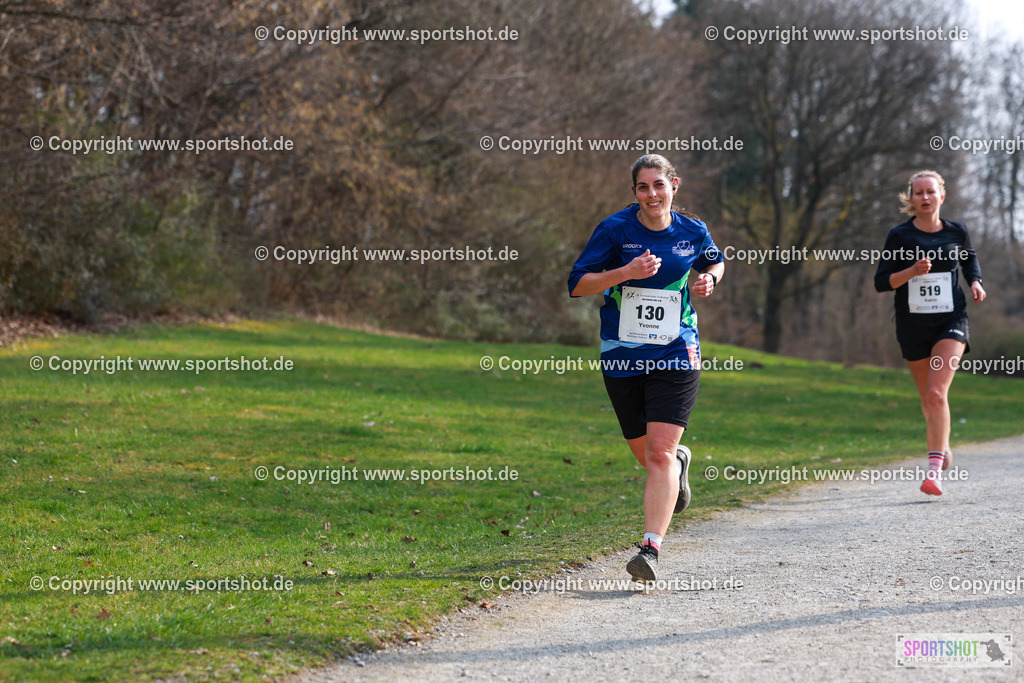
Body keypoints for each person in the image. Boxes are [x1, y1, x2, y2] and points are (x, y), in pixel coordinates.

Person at [567, 154, 724, 581]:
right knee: (648, 456)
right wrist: (625, 271)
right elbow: (577, 284)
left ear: (674, 186)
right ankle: (678, 465)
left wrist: (710, 278)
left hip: (677, 351)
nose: (652, 194)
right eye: (643, 187)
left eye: (659, 185)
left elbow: (715, 259)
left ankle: (650, 549)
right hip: (622, 355)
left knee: (659, 454)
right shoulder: (615, 230)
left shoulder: (692, 230)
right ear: (634, 192)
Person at [874, 170, 986, 496]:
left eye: (930, 191)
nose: (925, 197)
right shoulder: (899, 236)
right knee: (927, 400)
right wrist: (911, 271)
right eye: (919, 192)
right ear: (911, 199)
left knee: (937, 393)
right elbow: (882, 282)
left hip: (951, 320)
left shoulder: (957, 231)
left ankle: (934, 473)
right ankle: (943, 445)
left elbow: (969, 259)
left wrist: (976, 282)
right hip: (912, 325)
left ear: (942, 196)